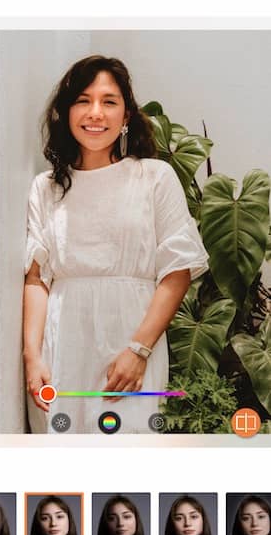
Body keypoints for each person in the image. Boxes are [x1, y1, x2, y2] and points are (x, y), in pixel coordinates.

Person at [24, 55, 209, 434]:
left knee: (128, 470)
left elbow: (178, 270)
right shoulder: (46, 187)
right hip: (63, 345)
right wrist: (32, 357)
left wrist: (138, 351)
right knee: (63, 475)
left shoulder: (154, 177)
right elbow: (36, 278)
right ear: (66, 111)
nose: (95, 113)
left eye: (109, 102)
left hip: (131, 339)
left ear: (126, 116)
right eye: (83, 100)